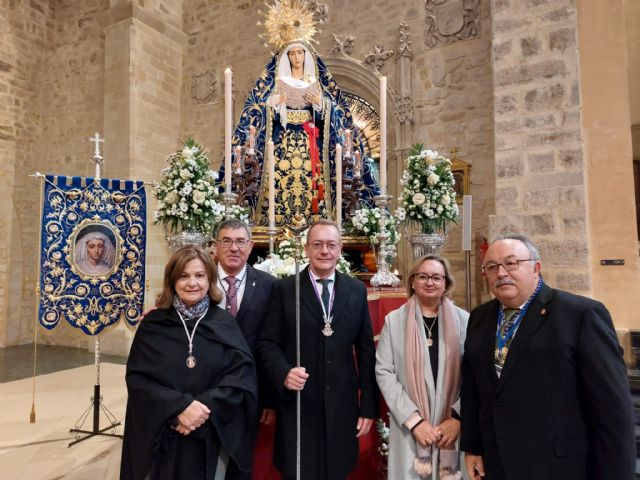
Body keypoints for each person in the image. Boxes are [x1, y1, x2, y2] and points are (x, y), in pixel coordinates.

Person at [461, 235, 635, 480]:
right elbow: (473, 390)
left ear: (536, 268)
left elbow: (613, 410)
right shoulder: (479, 318)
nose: (501, 273)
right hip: (498, 461)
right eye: (492, 267)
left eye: (511, 263)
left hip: (559, 465)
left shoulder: (580, 314)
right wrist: (473, 446)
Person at [120, 246, 257, 480]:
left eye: (199, 275)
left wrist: (201, 409)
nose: (192, 283)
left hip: (211, 432)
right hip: (165, 434)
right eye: (184, 276)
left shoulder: (225, 323)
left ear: (210, 280)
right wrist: (179, 408)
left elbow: (241, 378)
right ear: (172, 281)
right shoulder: (153, 325)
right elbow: (139, 380)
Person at [258, 219, 378, 480]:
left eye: (331, 245)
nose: (325, 251)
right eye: (318, 244)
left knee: (337, 469)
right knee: (298, 470)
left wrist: (368, 406)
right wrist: (284, 372)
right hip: (300, 402)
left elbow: (366, 350)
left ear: (340, 249)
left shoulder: (356, 290)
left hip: (342, 402)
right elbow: (268, 343)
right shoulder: (285, 289)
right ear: (307, 248)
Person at [227, 41, 379, 227]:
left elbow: (337, 114)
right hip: (281, 143)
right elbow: (258, 114)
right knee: (277, 182)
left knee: (313, 182)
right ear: (287, 57)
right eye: (292, 54)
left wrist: (321, 103)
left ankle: (315, 224)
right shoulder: (277, 83)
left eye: (300, 53)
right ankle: (277, 223)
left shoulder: (316, 83)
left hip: (310, 143)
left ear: (306, 56)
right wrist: (275, 104)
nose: (297, 57)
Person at [376, 255, 468, 479]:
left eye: (437, 277)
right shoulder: (394, 321)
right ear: (412, 282)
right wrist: (414, 421)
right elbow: (384, 372)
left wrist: (457, 418)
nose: (429, 282)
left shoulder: (464, 321)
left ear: (446, 284)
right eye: (423, 276)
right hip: (411, 429)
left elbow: (474, 375)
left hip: (451, 428)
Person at [212, 218, 276, 480]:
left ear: (250, 246)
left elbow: (272, 344)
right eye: (226, 241)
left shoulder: (268, 285)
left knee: (240, 464)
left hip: (250, 392)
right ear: (215, 246)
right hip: (205, 388)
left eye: (240, 242)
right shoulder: (199, 280)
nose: (234, 248)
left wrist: (270, 399)